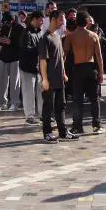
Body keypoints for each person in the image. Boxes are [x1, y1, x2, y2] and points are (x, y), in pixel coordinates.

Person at [38, 10, 78, 143]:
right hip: (49, 79)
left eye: (64, 19)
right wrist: (44, 79)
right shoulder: (45, 38)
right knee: (48, 107)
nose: (63, 22)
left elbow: (60, 57)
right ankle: (47, 133)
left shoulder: (57, 37)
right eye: (61, 19)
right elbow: (42, 60)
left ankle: (63, 132)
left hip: (59, 78)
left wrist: (64, 73)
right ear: (53, 19)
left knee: (61, 105)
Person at [64, 11, 105, 135]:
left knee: (77, 100)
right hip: (91, 68)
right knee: (94, 99)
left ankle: (77, 126)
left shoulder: (71, 36)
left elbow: (64, 55)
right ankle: (97, 125)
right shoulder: (93, 35)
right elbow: (99, 56)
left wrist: (62, 70)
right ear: (87, 21)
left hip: (78, 68)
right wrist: (101, 72)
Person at [0, 13, 24, 112]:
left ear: (12, 20)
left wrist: (10, 42)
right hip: (3, 57)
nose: (5, 24)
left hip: (15, 58)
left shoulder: (20, 28)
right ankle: (1, 103)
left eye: (7, 22)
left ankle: (15, 103)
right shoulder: (4, 27)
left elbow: (22, 44)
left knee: (15, 82)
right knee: (1, 81)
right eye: (4, 22)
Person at [19, 11, 43, 125]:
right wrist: (38, 48)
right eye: (40, 20)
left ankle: (43, 114)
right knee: (29, 92)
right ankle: (30, 116)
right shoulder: (26, 32)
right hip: (27, 67)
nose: (42, 22)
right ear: (34, 19)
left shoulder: (40, 32)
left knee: (41, 92)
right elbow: (25, 50)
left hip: (38, 67)